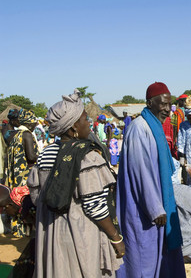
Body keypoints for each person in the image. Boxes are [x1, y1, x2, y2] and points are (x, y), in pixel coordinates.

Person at [27, 89, 124, 277]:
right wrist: (115, 238)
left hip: (50, 233)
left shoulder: (45, 154)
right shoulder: (87, 157)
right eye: (85, 120)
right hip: (79, 235)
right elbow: (94, 206)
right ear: (73, 128)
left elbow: (36, 195)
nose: (89, 124)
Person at [116, 82, 185, 278]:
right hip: (144, 207)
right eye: (162, 104)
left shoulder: (154, 126)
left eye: (169, 104)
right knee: (144, 258)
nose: (167, 109)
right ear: (149, 103)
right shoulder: (140, 128)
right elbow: (141, 172)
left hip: (158, 202)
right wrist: (155, 207)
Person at [6, 109, 39, 189]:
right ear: (30, 124)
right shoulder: (27, 134)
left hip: (17, 174)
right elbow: (31, 157)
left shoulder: (16, 134)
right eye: (34, 125)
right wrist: (42, 157)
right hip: (25, 176)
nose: (35, 127)